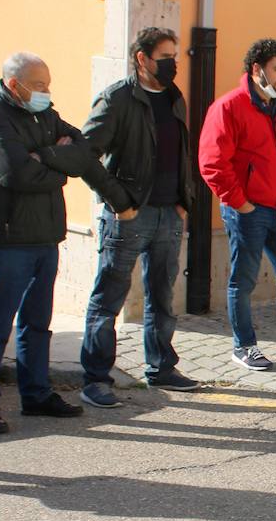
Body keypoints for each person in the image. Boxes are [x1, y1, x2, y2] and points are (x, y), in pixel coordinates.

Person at [0, 52, 92, 433]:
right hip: (7, 240)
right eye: (38, 85)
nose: (46, 92)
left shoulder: (45, 114)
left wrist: (47, 156)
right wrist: (57, 169)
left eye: (48, 83)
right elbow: (16, 174)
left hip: (45, 237)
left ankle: (36, 395)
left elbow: (83, 151)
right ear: (13, 85)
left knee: (37, 324)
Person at [77, 26, 201, 407]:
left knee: (162, 297)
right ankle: (97, 378)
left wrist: (185, 199)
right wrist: (118, 201)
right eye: (165, 57)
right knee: (108, 299)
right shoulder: (117, 99)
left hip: (168, 214)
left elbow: (182, 152)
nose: (173, 65)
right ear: (142, 58)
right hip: (129, 216)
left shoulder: (175, 98)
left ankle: (161, 366)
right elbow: (85, 154)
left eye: (175, 57)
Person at [198, 38, 276, 371]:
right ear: (257, 70)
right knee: (243, 281)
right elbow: (213, 162)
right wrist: (240, 204)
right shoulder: (229, 107)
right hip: (249, 213)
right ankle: (244, 346)